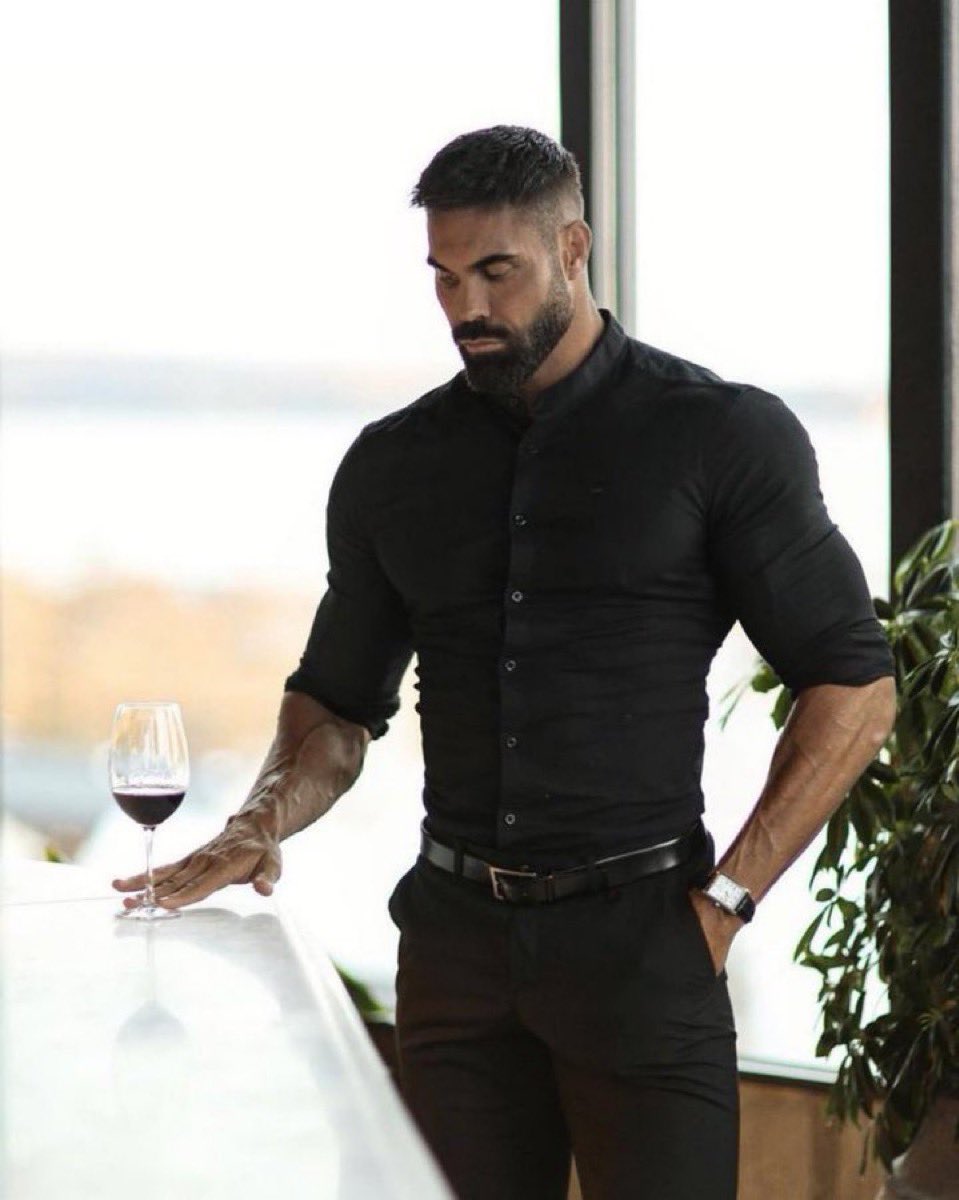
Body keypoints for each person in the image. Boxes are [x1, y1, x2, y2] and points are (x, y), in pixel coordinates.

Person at [114, 126, 897, 1200]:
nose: (466, 308)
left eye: (496, 272)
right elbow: (335, 706)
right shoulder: (393, 465)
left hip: (644, 945)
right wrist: (258, 821)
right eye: (444, 278)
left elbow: (852, 686)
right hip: (453, 955)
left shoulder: (719, 437)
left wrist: (726, 899)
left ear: (572, 247)